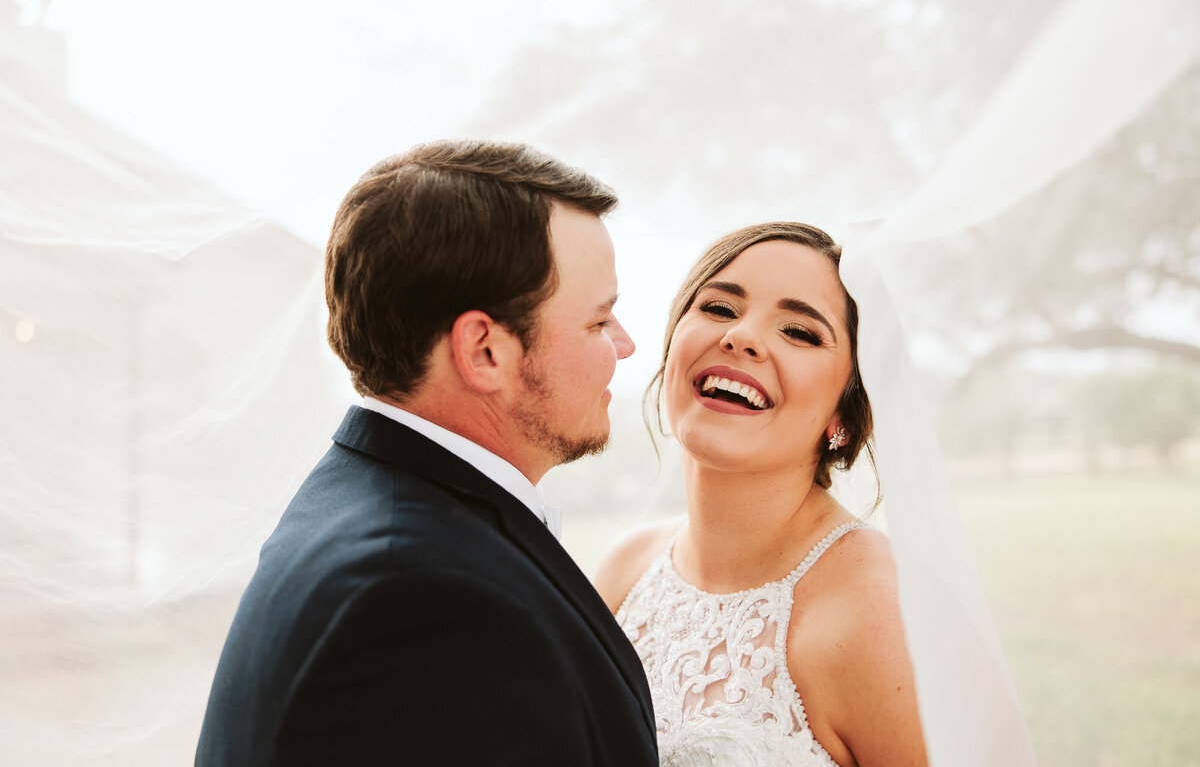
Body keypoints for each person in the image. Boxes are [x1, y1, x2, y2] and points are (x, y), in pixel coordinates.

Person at [195, 139, 659, 766]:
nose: (625, 346)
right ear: (484, 351)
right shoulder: (425, 595)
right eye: (599, 321)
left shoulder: (369, 499)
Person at [594, 222, 927, 767]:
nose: (742, 336)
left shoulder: (879, 612)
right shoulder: (626, 570)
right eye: (720, 309)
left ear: (844, 415)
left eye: (800, 332)